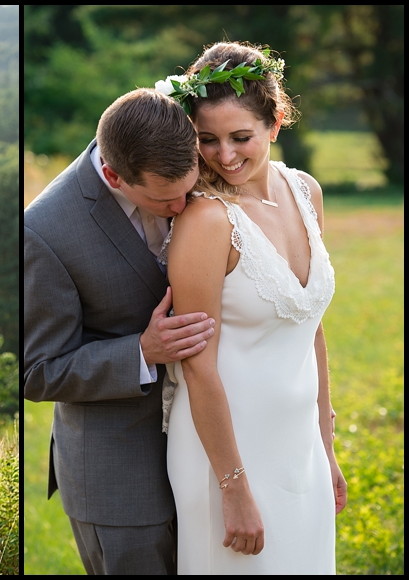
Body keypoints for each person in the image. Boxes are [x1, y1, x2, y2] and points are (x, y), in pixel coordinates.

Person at [158, 41, 346, 574]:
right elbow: (197, 363)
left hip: (298, 446)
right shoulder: (205, 222)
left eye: (241, 137)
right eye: (207, 140)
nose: (225, 155)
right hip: (227, 456)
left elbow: (310, 328)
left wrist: (324, 446)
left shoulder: (306, 191)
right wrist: (233, 489)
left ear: (276, 122)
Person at [23, 87, 217, 574]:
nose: (181, 206)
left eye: (187, 190)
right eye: (163, 199)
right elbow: (37, 371)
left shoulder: (171, 156)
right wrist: (142, 351)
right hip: (120, 476)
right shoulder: (43, 232)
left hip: (204, 454)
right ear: (113, 175)